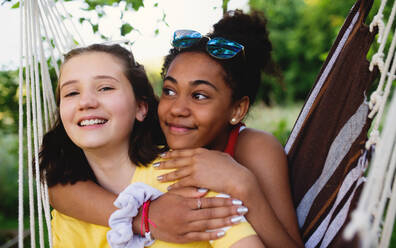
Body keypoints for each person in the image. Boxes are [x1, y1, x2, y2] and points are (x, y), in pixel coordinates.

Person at [46, 10, 304, 247]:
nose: (178, 108)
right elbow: (61, 191)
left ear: (237, 109)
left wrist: (242, 184)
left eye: (200, 95)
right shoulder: (159, 134)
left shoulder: (253, 148)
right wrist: (145, 217)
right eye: (169, 90)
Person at [39, 43, 260, 247]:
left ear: (141, 107)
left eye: (105, 88)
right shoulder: (69, 212)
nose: (86, 102)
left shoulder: (184, 178)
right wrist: (142, 217)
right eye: (71, 93)